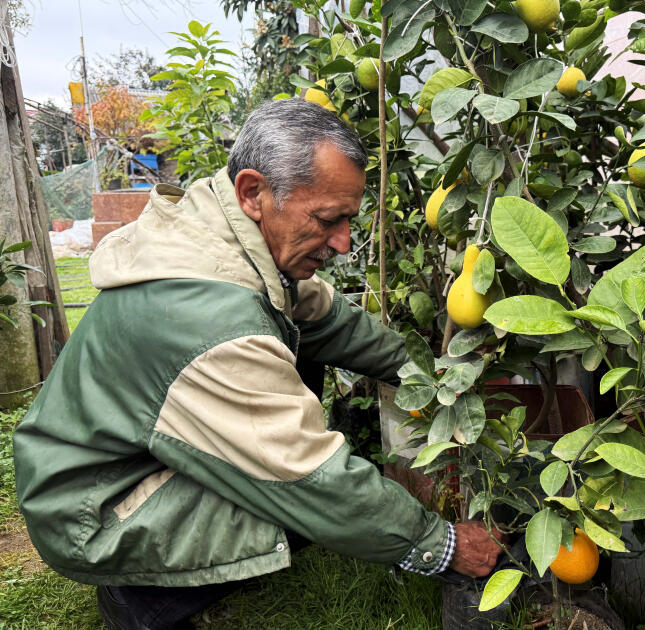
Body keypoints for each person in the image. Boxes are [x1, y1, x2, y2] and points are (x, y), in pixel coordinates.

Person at [13, 99, 503, 629]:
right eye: (327, 220)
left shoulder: (222, 237)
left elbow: (331, 321)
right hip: (90, 512)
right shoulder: (211, 323)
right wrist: (442, 544)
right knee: (295, 507)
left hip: (104, 463)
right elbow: (312, 477)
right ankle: (142, 598)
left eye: (348, 220)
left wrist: (433, 379)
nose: (341, 243)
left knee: (302, 362)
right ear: (253, 193)